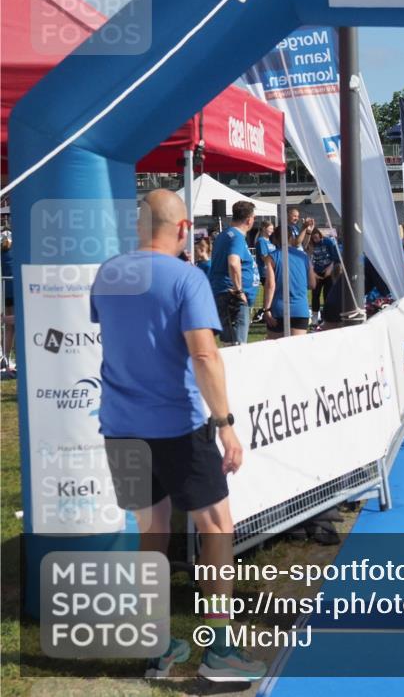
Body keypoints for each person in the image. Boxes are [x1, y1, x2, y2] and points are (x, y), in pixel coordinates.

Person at [90, 190, 266, 682]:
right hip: (177, 427)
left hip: (120, 427)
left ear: (139, 226)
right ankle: (220, 650)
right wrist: (226, 424)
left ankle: (159, 646)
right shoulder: (187, 277)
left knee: (152, 531)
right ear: (184, 229)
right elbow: (204, 355)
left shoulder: (108, 275)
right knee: (216, 527)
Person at [208, 201, 258, 345]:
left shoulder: (225, 235)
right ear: (249, 219)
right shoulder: (236, 237)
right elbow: (233, 263)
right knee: (237, 346)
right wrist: (239, 291)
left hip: (225, 294)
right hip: (232, 297)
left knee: (231, 343)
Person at [263, 225, 315, 338]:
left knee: (276, 347)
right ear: (291, 237)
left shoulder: (271, 257)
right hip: (300, 309)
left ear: (275, 239)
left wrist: (266, 309)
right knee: (297, 348)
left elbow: (270, 285)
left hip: (278, 309)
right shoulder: (304, 257)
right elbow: (312, 284)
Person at [308, 228, 340, 327]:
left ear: (320, 235)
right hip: (316, 273)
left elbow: (335, 258)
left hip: (328, 272)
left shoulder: (328, 242)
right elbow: (309, 260)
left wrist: (329, 269)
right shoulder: (311, 245)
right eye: (313, 238)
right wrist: (313, 273)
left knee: (328, 295)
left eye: (316, 236)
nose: (315, 239)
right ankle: (314, 318)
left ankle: (325, 317)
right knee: (315, 294)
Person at [1, 233, 14, 375]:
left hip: (6, 289)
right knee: (14, 325)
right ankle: (5, 359)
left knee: (9, 327)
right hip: (12, 287)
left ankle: (5, 358)